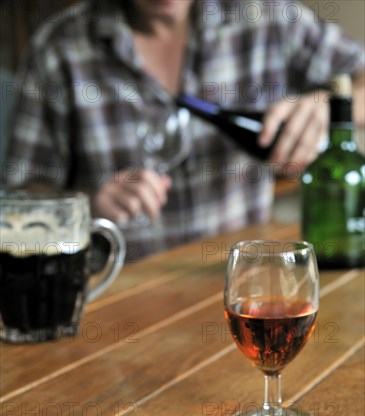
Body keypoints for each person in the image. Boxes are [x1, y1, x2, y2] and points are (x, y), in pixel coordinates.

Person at [3, 0, 365, 260]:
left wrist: (328, 103)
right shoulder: (58, 50)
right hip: (118, 297)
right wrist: (86, 203)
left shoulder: (269, 17)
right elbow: (20, 203)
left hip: (243, 282)